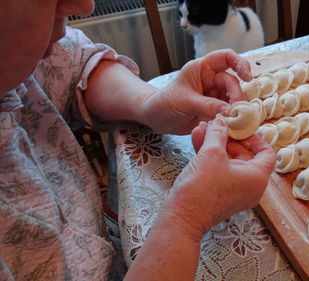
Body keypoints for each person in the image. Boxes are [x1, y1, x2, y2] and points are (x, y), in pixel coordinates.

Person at [0, 0, 276, 280]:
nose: (84, 6)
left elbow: (74, 63)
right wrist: (186, 220)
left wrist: (150, 104)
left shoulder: (17, 58)